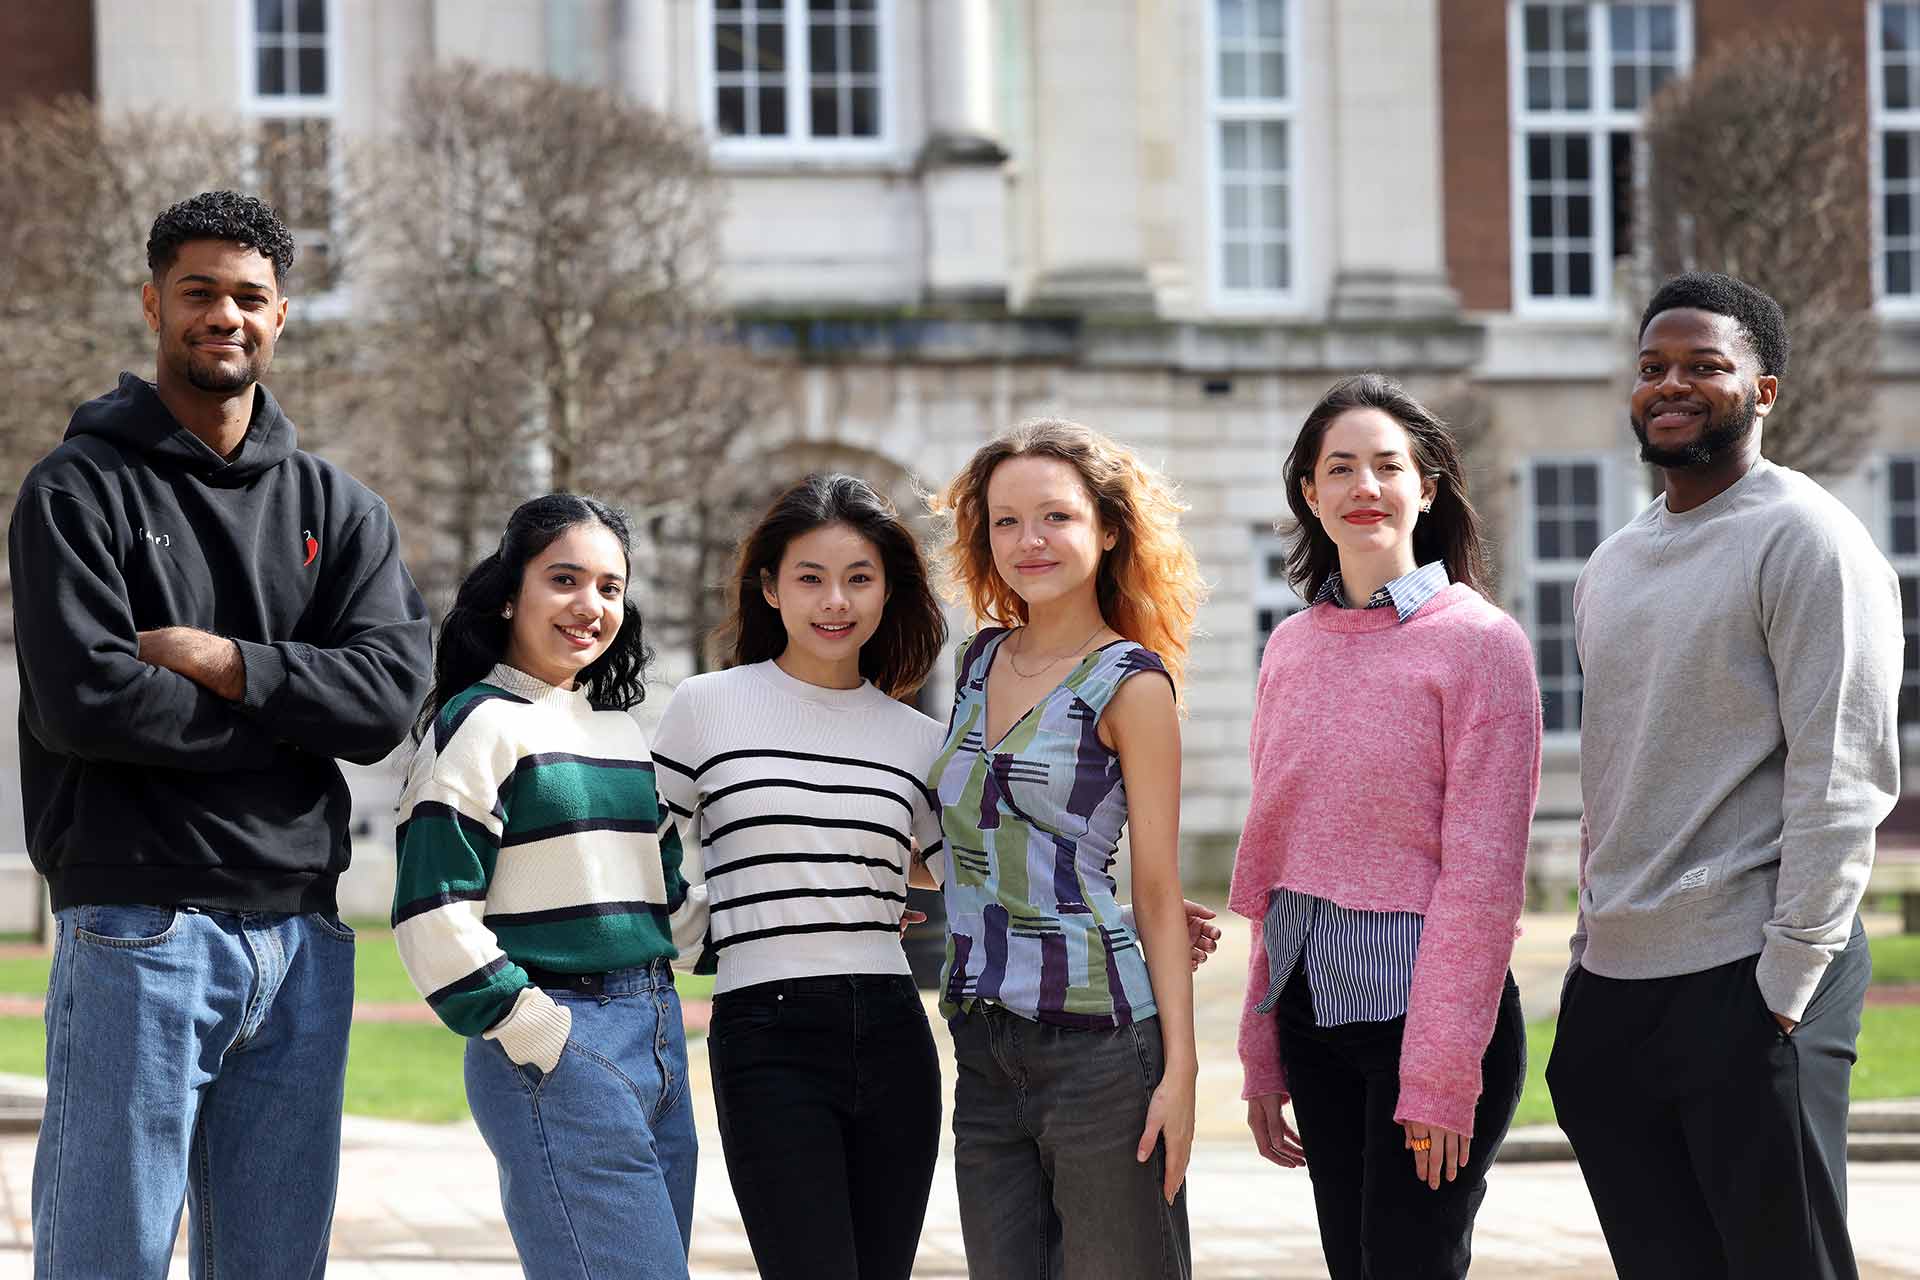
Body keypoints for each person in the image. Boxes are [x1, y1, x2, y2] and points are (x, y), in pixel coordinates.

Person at [8, 190, 431, 1277]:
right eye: (199, 293)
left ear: (282, 315)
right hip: (135, 928)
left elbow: (387, 700)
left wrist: (227, 661)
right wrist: (297, 719)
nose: (225, 316)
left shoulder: (343, 512)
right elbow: (88, 703)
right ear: (155, 303)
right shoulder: (76, 490)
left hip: (302, 940)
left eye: (251, 296)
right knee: (108, 1258)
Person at [1546, 272, 1902, 1280]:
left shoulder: (1810, 538)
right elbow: (1620, 765)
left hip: (1752, 975)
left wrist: (1785, 983)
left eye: (1705, 364)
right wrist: (1585, 950)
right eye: (1654, 366)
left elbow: (1843, 772)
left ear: (1765, 389)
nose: (1672, 383)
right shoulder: (1611, 563)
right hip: (1616, 983)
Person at [1230, 374, 1540, 1279]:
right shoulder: (1289, 647)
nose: (1365, 486)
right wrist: (1260, 1056)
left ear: (1428, 487)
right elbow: (1278, 859)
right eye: (1340, 468)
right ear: (1309, 495)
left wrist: (1442, 1075)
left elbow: (1484, 880)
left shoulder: (1482, 644)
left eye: (1387, 465)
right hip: (1310, 1013)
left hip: (1425, 1023)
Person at [650, 474, 950, 1280]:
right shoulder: (707, 706)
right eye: (811, 578)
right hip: (765, 1031)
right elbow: (644, 845)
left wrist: (1131, 913)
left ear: (889, 589)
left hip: (893, 1028)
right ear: (770, 588)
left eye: (859, 578)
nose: (835, 602)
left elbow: (972, 875)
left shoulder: (921, 740)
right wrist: (708, 932)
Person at [391, 494, 697, 1280]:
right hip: (562, 1035)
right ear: (509, 593)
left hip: (659, 1031)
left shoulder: (619, 732)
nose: (589, 606)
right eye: (564, 579)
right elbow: (432, 907)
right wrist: (529, 1027)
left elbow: (667, 896)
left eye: (609, 587)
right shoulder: (479, 722)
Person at [927, 419, 1204, 1279]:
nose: (1028, 541)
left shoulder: (1131, 682)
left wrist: (1181, 1073)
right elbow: (973, 832)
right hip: (982, 1043)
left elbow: (1157, 891)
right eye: (1005, 522)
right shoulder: (976, 662)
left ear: (1108, 528)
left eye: (1055, 517)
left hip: (1102, 1049)